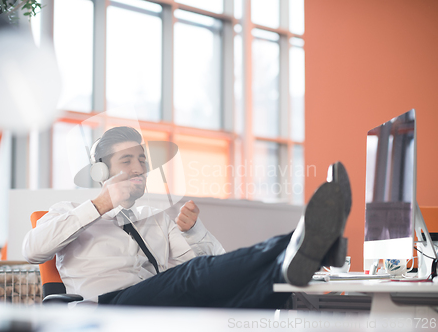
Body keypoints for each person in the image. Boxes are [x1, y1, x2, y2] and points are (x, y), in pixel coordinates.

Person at [23, 126, 351, 309]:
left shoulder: (156, 219)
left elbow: (216, 268)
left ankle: (303, 252)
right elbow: (33, 249)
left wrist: (195, 231)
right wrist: (100, 204)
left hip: (157, 302)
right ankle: (300, 241)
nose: (139, 169)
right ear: (101, 171)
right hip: (107, 308)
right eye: (127, 160)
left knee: (258, 294)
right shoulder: (69, 212)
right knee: (192, 275)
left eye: (142, 159)